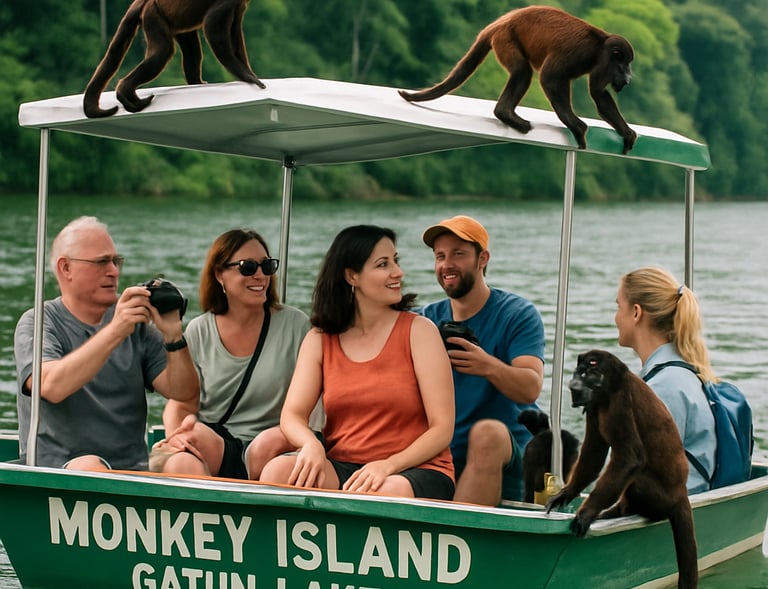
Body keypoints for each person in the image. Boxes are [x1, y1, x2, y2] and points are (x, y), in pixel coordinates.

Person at [260, 225, 455, 499]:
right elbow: (291, 416)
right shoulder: (320, 339)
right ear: (352, 276)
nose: (397, 272)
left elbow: (442, 429)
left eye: (395, 261)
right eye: (383, 264)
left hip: (415, 469)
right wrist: (311, 445)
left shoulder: (420, 331)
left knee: (384, 490)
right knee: (277, 472)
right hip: (346, 467)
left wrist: (388, 465)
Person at [14, 216, 198, 471]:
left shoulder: (134, 321)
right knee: (90, 466)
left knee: (186, 464)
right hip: (60, 472)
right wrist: (115, 331)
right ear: (65, 268)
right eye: (101, 262)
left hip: (131, 469)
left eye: (115, 261)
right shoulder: (39, 322)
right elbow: (51, 386)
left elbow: (183, 392)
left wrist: (173, 336)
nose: (114, 271)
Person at [156, 228, 317, 479]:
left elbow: (317, 401)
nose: (260, 275)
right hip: (218, 442)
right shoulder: (199, 330)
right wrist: (177, 436)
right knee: (184, 454)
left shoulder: (296, 326)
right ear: (220, 274)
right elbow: (180, 402)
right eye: (248, 267)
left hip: (276, 445)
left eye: (266, 266)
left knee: (265, 446)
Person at [420, 215, 545, 505]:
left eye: (458, 254)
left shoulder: (518, 314)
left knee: (487, 434)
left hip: (507, 457)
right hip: (442, 458)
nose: (446, 264)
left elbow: (530, 387)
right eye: (440, 256)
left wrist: (486, 365)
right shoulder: (424, 319)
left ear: (482, 259)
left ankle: (458, 541)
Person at [615, 266, 717, 494]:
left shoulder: (663, 387)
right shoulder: (682, 373)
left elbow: (637, 472)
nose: (616, 318)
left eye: (618, 306)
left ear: (636, 313)